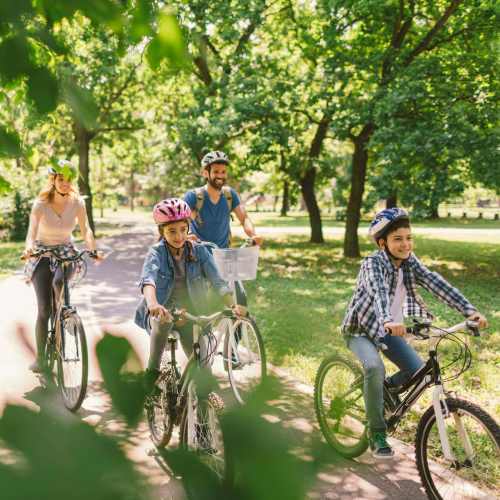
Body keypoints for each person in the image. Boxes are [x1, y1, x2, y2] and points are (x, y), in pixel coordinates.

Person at [341, 207, 488, 459]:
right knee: (375, 368)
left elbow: (435, 282)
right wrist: (388, 319)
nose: (405, 244)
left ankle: (382, 391)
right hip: (361, 330)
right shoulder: (372, 264)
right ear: (382, 243)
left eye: (409, 238)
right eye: (398, 239)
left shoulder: (410, 262)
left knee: (418, 372)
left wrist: (468, 311)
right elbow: (378, 292)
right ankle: (376, 433)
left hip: (388, 330)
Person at [134, 198, 246, 391]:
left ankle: (202, 415)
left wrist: (232, 304)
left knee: (203, 370)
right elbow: (148, 280)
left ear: (188, 228)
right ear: (162, 232)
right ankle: (152, 371)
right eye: (171, 231)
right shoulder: (156, 253)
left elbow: (217, 281)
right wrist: (153, 304)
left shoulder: (199, 251)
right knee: (163, 321)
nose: (178, 236)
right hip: (163, 309)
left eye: (182, 230)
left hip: (190, 313)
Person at [23, 159, 101, 373]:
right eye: (61, 179)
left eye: (68, 180)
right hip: (41, 252)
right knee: (43, 309)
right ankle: (41, 358)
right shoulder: (41, 204)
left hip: (65, 250)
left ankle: (63, 312)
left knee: (59, 281)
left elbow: (86, 230)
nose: (65, 183)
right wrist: (29, 248)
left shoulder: (77, 202)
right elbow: (31, 232)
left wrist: (92, 249)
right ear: (53, 180)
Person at [183, 150, 263, 305]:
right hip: (199, 256)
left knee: (237, 298)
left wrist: (253, 235)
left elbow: (244, 217)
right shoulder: (195, 196)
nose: (220, 175)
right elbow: (183, 221)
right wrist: (186, 235)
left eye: (223, 172)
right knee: (203, 303)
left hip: (224, 255)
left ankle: (237, 327)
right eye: (216, 171)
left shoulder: (229, 195)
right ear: (205, 173)